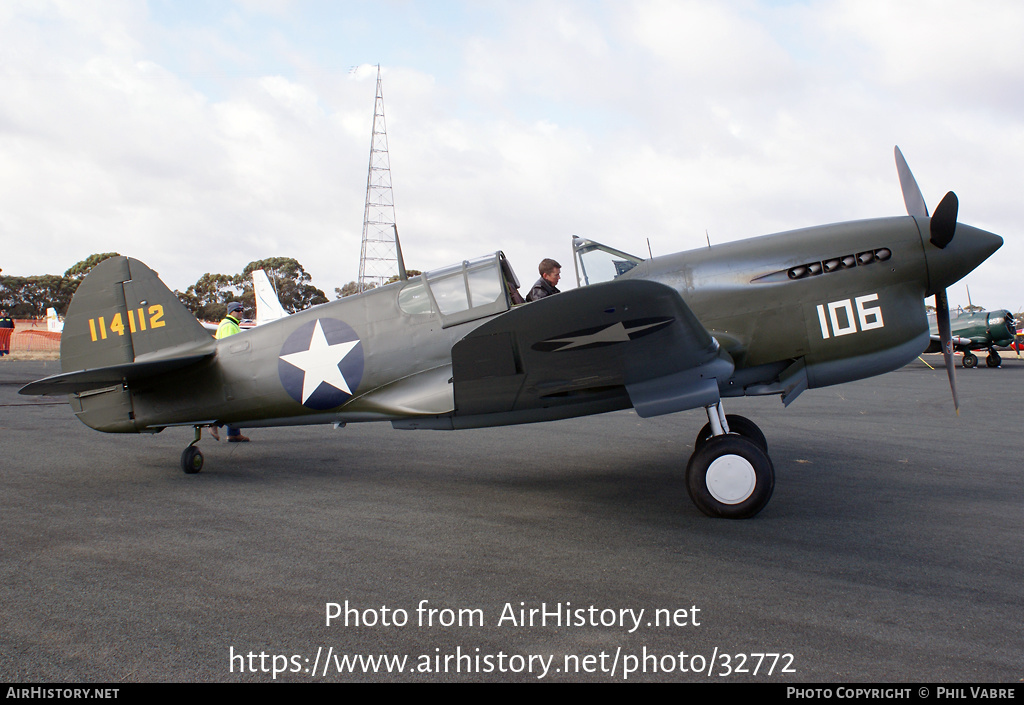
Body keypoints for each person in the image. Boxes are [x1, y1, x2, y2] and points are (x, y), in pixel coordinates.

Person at [213, 302, 249, 442]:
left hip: (226, 369)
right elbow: (230, 349)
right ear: (231, 312)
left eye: (242, 310)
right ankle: (216, 424)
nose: (241, 312)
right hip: (230, 369)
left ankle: (233, 432)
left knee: (234, 401)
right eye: (238, 310)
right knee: (233, 401)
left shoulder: (230, 324)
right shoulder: (229, 326)